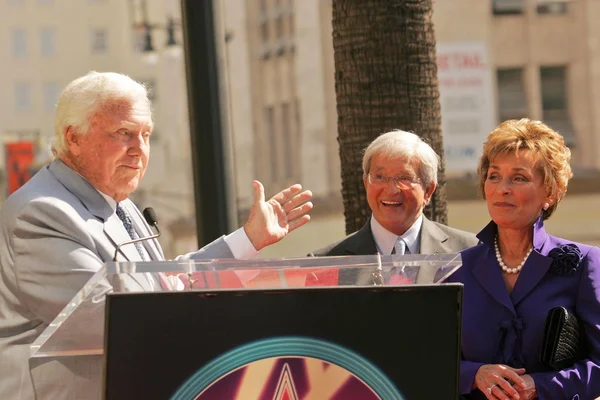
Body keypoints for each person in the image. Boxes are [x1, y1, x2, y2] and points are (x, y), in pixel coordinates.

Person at [0, 71, 313, 399]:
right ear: (74, 138)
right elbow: (106, 317)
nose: (139, 149)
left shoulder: (121, 204)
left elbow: (164, 284)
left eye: (146, 135)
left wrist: (248, 239)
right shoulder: (40, 212)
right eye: (124, 133)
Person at [446, 118, 600, 399]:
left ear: (550, 193)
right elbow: (431, 359)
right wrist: (474, 375)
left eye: (518, 178)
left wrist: (539, 386)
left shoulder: (584, 263)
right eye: (494, 176)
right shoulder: (455, 269)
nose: (502, 188)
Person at [312, 130, 478, 260]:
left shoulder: (469, 251)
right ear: (366, 183)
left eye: (404, 178)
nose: (391, 190)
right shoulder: (328, 261)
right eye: (380, 177)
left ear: (428, 190)